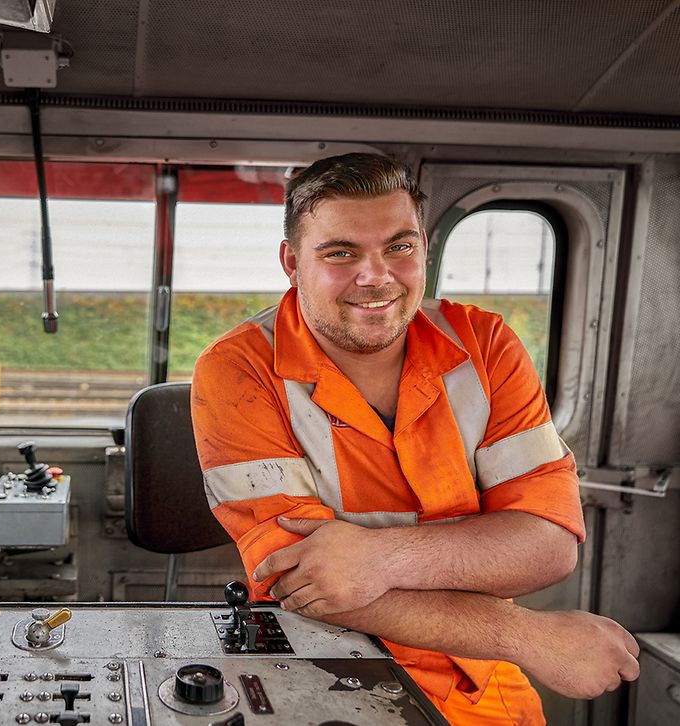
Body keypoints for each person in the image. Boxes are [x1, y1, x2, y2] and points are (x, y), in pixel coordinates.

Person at [190, 153, 639, 724]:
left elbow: (548, 546)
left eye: (399, 247)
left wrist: (375, 558)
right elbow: (301, 579)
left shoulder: (487, 346)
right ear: (291, 261)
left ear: (423, 247)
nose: (376, 275)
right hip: (316, 661)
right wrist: (527, 636)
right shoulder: (237, 368)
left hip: (477, 669)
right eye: (340, 252)